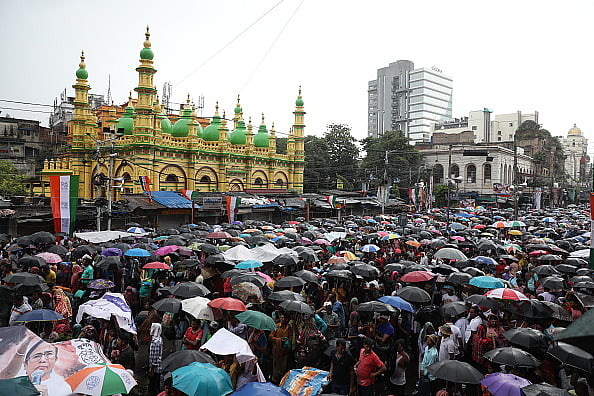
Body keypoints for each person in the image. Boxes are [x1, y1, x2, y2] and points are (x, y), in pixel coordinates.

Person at [269, 314, 294, 383]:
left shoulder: (289, 328)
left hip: (284, 351)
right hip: (276, 350)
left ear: (287, 319)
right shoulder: (276, 326)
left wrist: (287, 341)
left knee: (283, 366)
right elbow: (270, 337)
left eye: (283, 318)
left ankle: (281, 380)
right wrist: (278, 340)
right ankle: (274, 380)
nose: (282, 319)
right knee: (275, 366)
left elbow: (291, 338)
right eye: (281, 318)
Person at [148, 323, 163, 396]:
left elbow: (155, 358)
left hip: (155, 370)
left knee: (154, 386)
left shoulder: (156, 342)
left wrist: (151, 370)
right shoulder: (158, 339)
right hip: (156, 368)